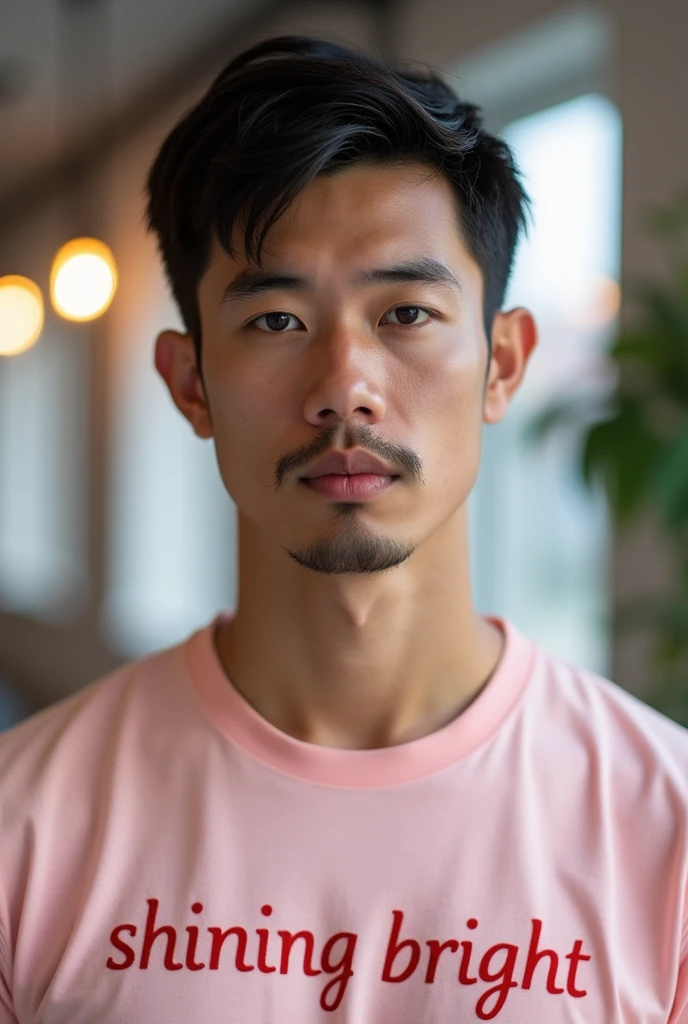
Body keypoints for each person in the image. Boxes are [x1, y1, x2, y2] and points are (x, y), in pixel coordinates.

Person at [0, 34, 687, 1024]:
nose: (344, 388)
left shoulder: (662, 839)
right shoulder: (27, 830)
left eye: (404, 313)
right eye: (276, 321)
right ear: (189, 384)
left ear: (501, 363)